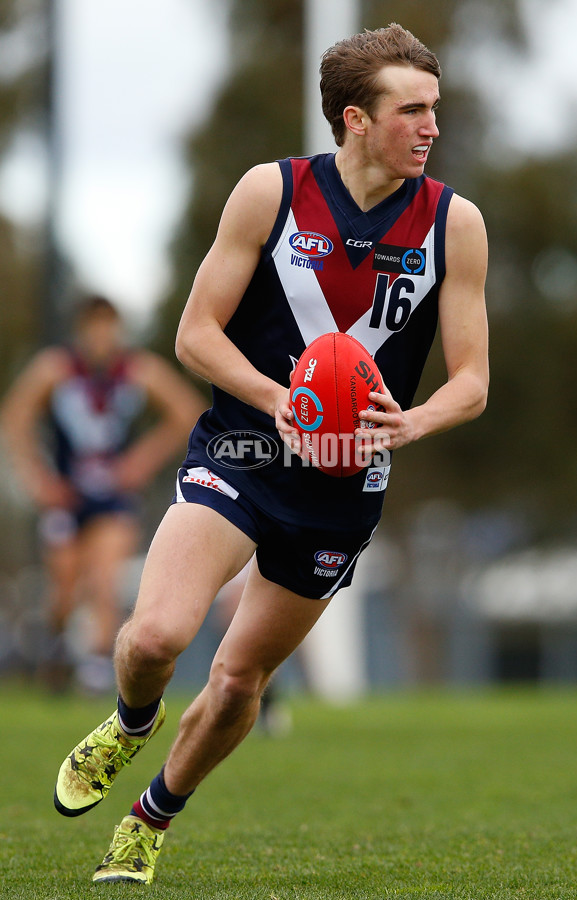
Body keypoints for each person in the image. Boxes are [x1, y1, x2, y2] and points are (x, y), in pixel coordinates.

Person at [53, 24, 489, 884]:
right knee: (155, 637)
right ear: (356, 120)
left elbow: (472, 379)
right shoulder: (272, 193)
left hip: (344, 485)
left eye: (434, 108)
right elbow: (194, 334)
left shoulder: (454, 222)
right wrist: (277, 400)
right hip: (245, 448)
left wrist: (415, 422)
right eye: (412, 110)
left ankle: (152, 817)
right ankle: (130, 724)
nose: (432, 126)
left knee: (239, 678)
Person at [0, 294, 205, 693]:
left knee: (105, 580)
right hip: (68, 495)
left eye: (108, 326)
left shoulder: (137, 371)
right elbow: (15, 417)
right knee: (63, 588)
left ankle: (96, 669)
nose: (101, 336)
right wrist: (38, 479)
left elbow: (188, 412)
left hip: (113, 495)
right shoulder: (56, 370)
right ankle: (56, 651)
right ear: (81, 330)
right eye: (93, 326)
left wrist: (141, 462)